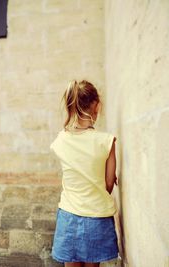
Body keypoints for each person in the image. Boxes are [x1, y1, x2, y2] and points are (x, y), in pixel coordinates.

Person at [50, 79, 119, 267]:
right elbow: (107, 185)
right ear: (95, 106)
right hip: (97, 217)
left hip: (69, 216)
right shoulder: (106, 141)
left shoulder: (61, 140)